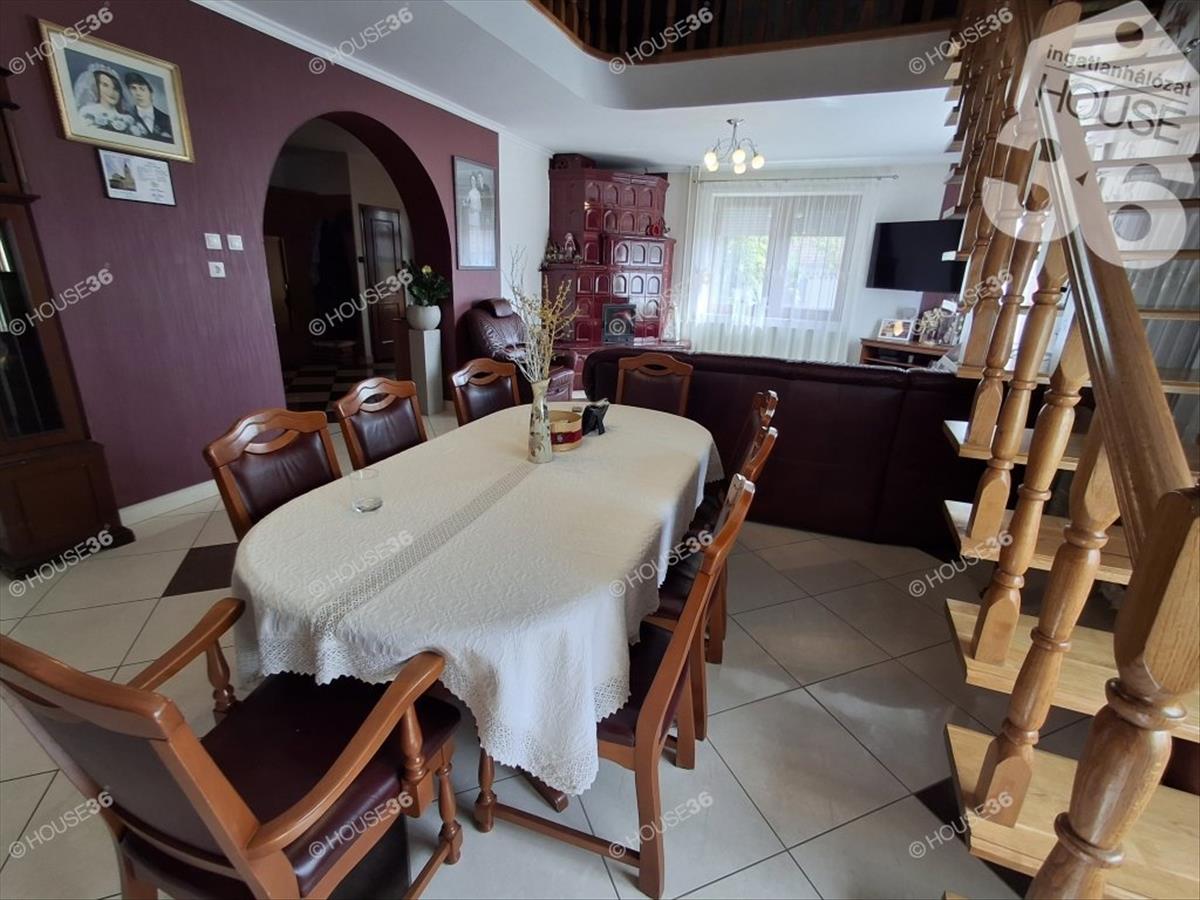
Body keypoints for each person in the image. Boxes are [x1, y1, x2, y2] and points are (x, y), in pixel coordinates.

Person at [77, 67, 139, 135]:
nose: (111, 92)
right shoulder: (87, 111)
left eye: (115, 88)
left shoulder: (128, 119)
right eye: (105, 85)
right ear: (96, 87)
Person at [124, 71, 173, 143]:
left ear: (151, 92)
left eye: (142, 89)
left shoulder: (166, 119)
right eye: (133, 89)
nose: (138, 93)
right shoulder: (127, 116)